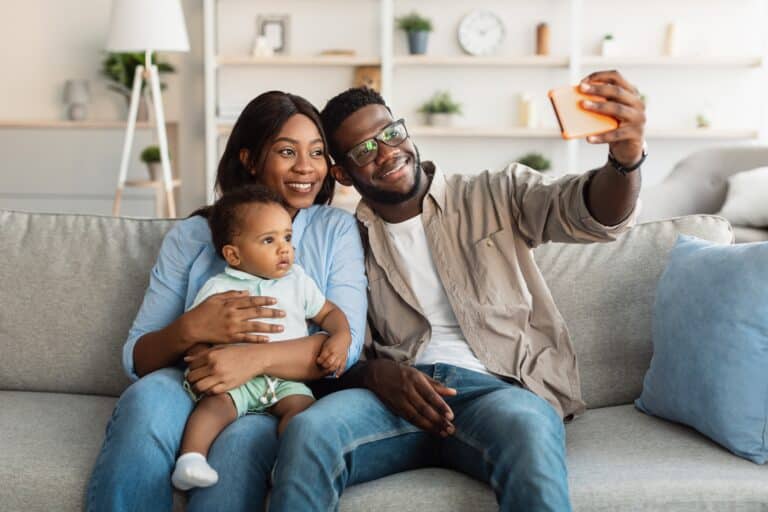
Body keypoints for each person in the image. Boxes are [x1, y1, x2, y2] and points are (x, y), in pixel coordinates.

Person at [269, 70, 645, 511]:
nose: (388, 153)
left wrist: (626, 158)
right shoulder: (347, 238)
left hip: (499, 395)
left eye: (391, 133)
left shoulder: (495, 193)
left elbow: (590, 212)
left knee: (527, 428)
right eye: (365, 149)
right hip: (395, 401)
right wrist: (374, 375)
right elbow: (339, 345)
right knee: (308, 433)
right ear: (343, 173)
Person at [86, 91, 367, 512]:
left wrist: (251, 361)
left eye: (317, 152)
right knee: (144, 401)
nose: (306, 167)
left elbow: (343, 348)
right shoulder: (193, 236)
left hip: (279, 390)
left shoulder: (335, 231)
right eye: (287, 151)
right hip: (194, 378)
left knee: (241, 442)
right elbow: (139, 357)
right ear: (250, 160)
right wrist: (192, 329)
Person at [171, 184, 352, 491]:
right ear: (234, 254)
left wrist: (341, 335)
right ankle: (191, 460)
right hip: (235, 380)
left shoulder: (298, 280)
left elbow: (329, 312)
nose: (284, 248)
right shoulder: (218, 287)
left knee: (303, 413)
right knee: (212, 408)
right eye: (269, 240)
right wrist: (202, 355)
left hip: (285, 379)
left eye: (287, 237)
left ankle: (286, 464)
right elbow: (199, 330)